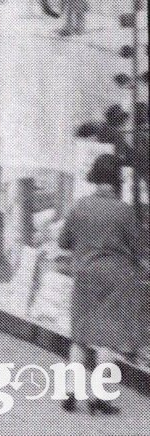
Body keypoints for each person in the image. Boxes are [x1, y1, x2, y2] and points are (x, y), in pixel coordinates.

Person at [58, 153, 142, 414]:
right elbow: (139, 248)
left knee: (80, 337)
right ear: (117, 180)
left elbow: (63, 242)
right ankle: (100, 398)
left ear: (95, 177)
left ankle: (72, 393)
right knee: (108, 339)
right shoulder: (125, 211)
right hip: (117, 278)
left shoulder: (79, 206)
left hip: (85, 275)